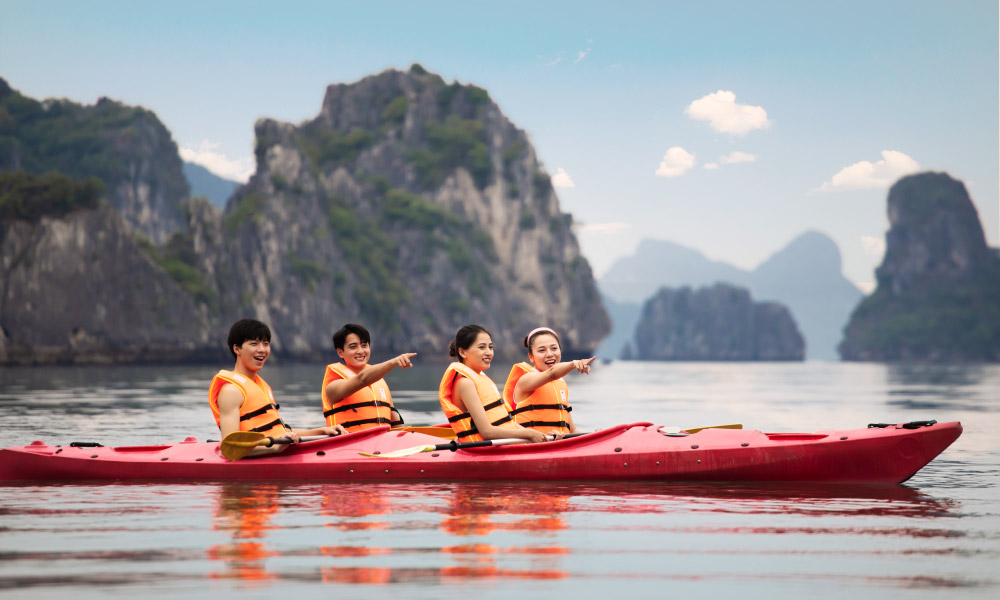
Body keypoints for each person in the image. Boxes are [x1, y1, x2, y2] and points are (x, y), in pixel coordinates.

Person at [209, 318, 346, 457]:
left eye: (266, 344)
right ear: (236, 348)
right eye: (254, 344)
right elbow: (230, 447)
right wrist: (274, 449)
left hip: (273, 449)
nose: (262, 350)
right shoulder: (231, 391)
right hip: (261, 458)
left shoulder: (261, 386)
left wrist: (322, 431)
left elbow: (277, 431)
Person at [438, 324, 547, 444]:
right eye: (482, 347)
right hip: (482, 452)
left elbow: (506, 422)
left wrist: (539, 437)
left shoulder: (480, 378)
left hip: (503, 446)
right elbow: (487, 432)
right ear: (463, 352)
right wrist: (528, 434)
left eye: (490, 347)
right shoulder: (465, 383)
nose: (489, 352)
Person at [321, 323, 417, 432]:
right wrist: (393, 362)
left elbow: (396, 423)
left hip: (382, 444)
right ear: (340, 352)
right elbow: (362, 379)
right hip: (350, 445)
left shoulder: (379, 382)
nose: (361, 351)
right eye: (353, 347)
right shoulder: (333, 386)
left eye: (364, 345)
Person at [502, 327, 595, 435]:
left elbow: (572, 431)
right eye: (542, 350)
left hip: (557, 446)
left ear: (560, 351)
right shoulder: (526, 379)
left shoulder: (560, 384)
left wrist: (596, 436)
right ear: (531, 357)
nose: (549, 354)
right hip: (529, 447)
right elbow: (552, 373)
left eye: (554, 348)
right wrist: (574, 363)